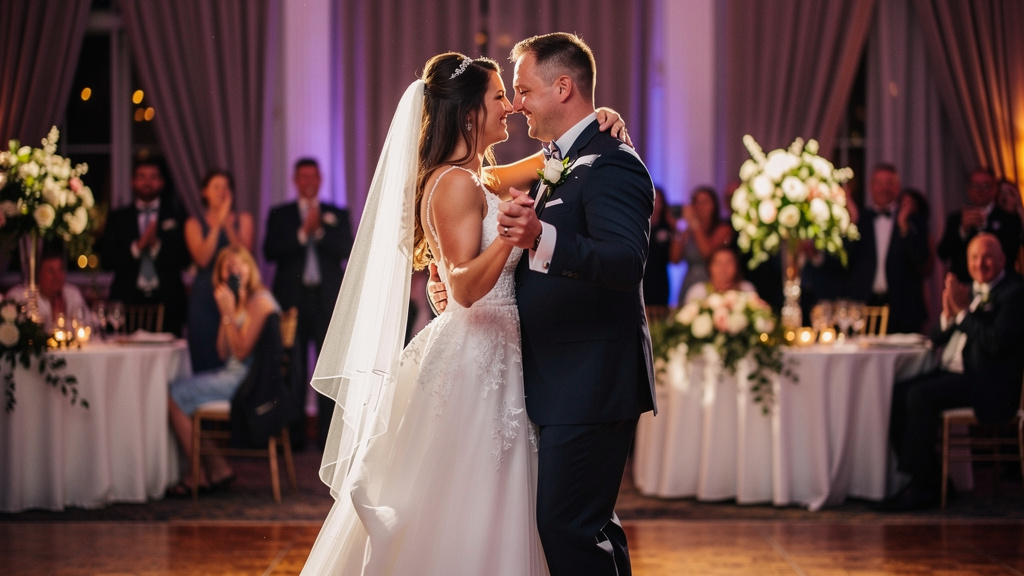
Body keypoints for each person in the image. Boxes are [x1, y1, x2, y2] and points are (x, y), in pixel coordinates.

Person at [301, 50, 631, 575]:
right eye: (500, 96)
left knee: (502, 496)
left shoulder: (480, 178)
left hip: (504, 352)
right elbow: (462, 286)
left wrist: (600, 120)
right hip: (477, 356)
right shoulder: (455, 183)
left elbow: (552, 161)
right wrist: (509, 238)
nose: (512, 107)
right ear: (471, 111)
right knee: (471, 496)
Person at [495, 33, 656, 576]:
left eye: (523, 90)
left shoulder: (613, 163)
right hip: (558, 379)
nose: (516, 104)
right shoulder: (558, 160)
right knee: (586, 526)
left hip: (590, 379)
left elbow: (624, 262)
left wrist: (542, 237)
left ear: (563, 87)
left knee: (568, 528)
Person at [881, 233, 1024, 511]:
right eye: (974, 257)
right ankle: (932, 478)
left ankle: (921, 487)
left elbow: (995, 342)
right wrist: (948, 314)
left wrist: (962, 315)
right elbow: (936, 338)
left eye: (987, 257)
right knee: (898, 393)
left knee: (919, 396)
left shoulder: (1014, 293)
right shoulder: (968, 291)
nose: (980, 263)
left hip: (986, 382)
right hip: (954, 373)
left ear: (1002, 259)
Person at [166, 245, 280, 496]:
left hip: (249, 383)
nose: (234, 270)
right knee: (180, 395)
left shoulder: (260, 301)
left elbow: (240, 353)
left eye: (239, 264)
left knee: (174, 396)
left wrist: (229, 312)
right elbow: (222, 351)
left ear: (250, 267)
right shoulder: (241, 302)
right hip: (234, 375)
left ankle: (195, 475)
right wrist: (227, 310)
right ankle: (217, 468)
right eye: (227, 268)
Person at [263, 158, 354, 450]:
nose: (309, 181)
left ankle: (328, 438)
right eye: (303, 176)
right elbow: (270, 252)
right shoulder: (281, 214)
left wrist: (320, 232)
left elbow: (347, 250)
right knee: (294, 370)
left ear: (321, 179)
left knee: (328, 369)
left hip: (326, 301)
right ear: (295, 180)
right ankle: (297, 436)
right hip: (292, 302)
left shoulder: (336, 213)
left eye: (313, 176)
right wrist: (302, 234)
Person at [100, 156, 190, 336]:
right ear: (133, 182)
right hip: (128, 301)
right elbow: (107, 260)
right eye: (142, 176)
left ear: (162, 182)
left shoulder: (176, 216)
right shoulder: (118, 218)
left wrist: (156, 246)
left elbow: (185, 259)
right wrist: (138, 247)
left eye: (153, 177)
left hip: (167, 302)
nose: (147, 182)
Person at [846, 163, 931, 334]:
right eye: (879, 182)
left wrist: (904, 227)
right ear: (871, 186)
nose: (884, 188)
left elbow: (921, 261)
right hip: (864, 308)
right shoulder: (859, 220)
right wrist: (852, 222)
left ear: (898, 187)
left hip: (903, 309)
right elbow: (845, 261)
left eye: (889, 183)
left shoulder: (914, 221)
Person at [184, 169, 254, 372]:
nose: (221, 192)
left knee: (236, 358)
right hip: (205, 298)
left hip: (238, 295)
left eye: (226, 187)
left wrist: (227, 225)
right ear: (204, 192)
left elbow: (245, 256)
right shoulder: (194, 223)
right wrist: (216, 225)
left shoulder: (244, 219)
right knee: (205, 360)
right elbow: (203, 259)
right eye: (216, 187)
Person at [937, 167, 1021, 283]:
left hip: (1002, 288)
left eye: (986, 185)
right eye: (975, 185)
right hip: (964, 286)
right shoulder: (956, 219)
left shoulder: (1008, 217)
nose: (980, 190)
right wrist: (963, 231)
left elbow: (1011, 253)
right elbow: (943, 253)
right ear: (968, 189)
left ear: (994, 189)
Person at [670, 185, 734, 303]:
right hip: (689, 281)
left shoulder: (722, 228)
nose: (700, 207)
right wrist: (678, 227)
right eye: (697, 202)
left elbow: (708, 254)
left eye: (705, 202)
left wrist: (695, 224)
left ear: (714, 205)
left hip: (712, 282)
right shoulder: (688, 230)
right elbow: (674, 260)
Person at [6, 246, 87, 330]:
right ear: (39, 274)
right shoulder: (22, 297)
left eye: (60, 270)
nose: (57, 276)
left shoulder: (73, 294)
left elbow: (86, 324)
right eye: (51, 271)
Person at [682, 245, 755, 303]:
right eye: (718, 263)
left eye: (728, 262)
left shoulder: (746, 289)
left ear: (737, 266)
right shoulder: (698, 292)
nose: (723, 268)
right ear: (709, 267)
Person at [643, 186, 674, 320]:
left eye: (658, 201)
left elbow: (675, 259)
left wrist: (675, 227)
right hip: (640, 279)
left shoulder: (667, 228)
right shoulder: (638, 226)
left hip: (659, 281)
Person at [995, 178, 1024, 273]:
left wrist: (1019, 208)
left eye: (1010, 193)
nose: (1004, 197)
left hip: (1009, 274)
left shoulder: (1017, 220)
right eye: (1001, 192)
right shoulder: (991, 217)